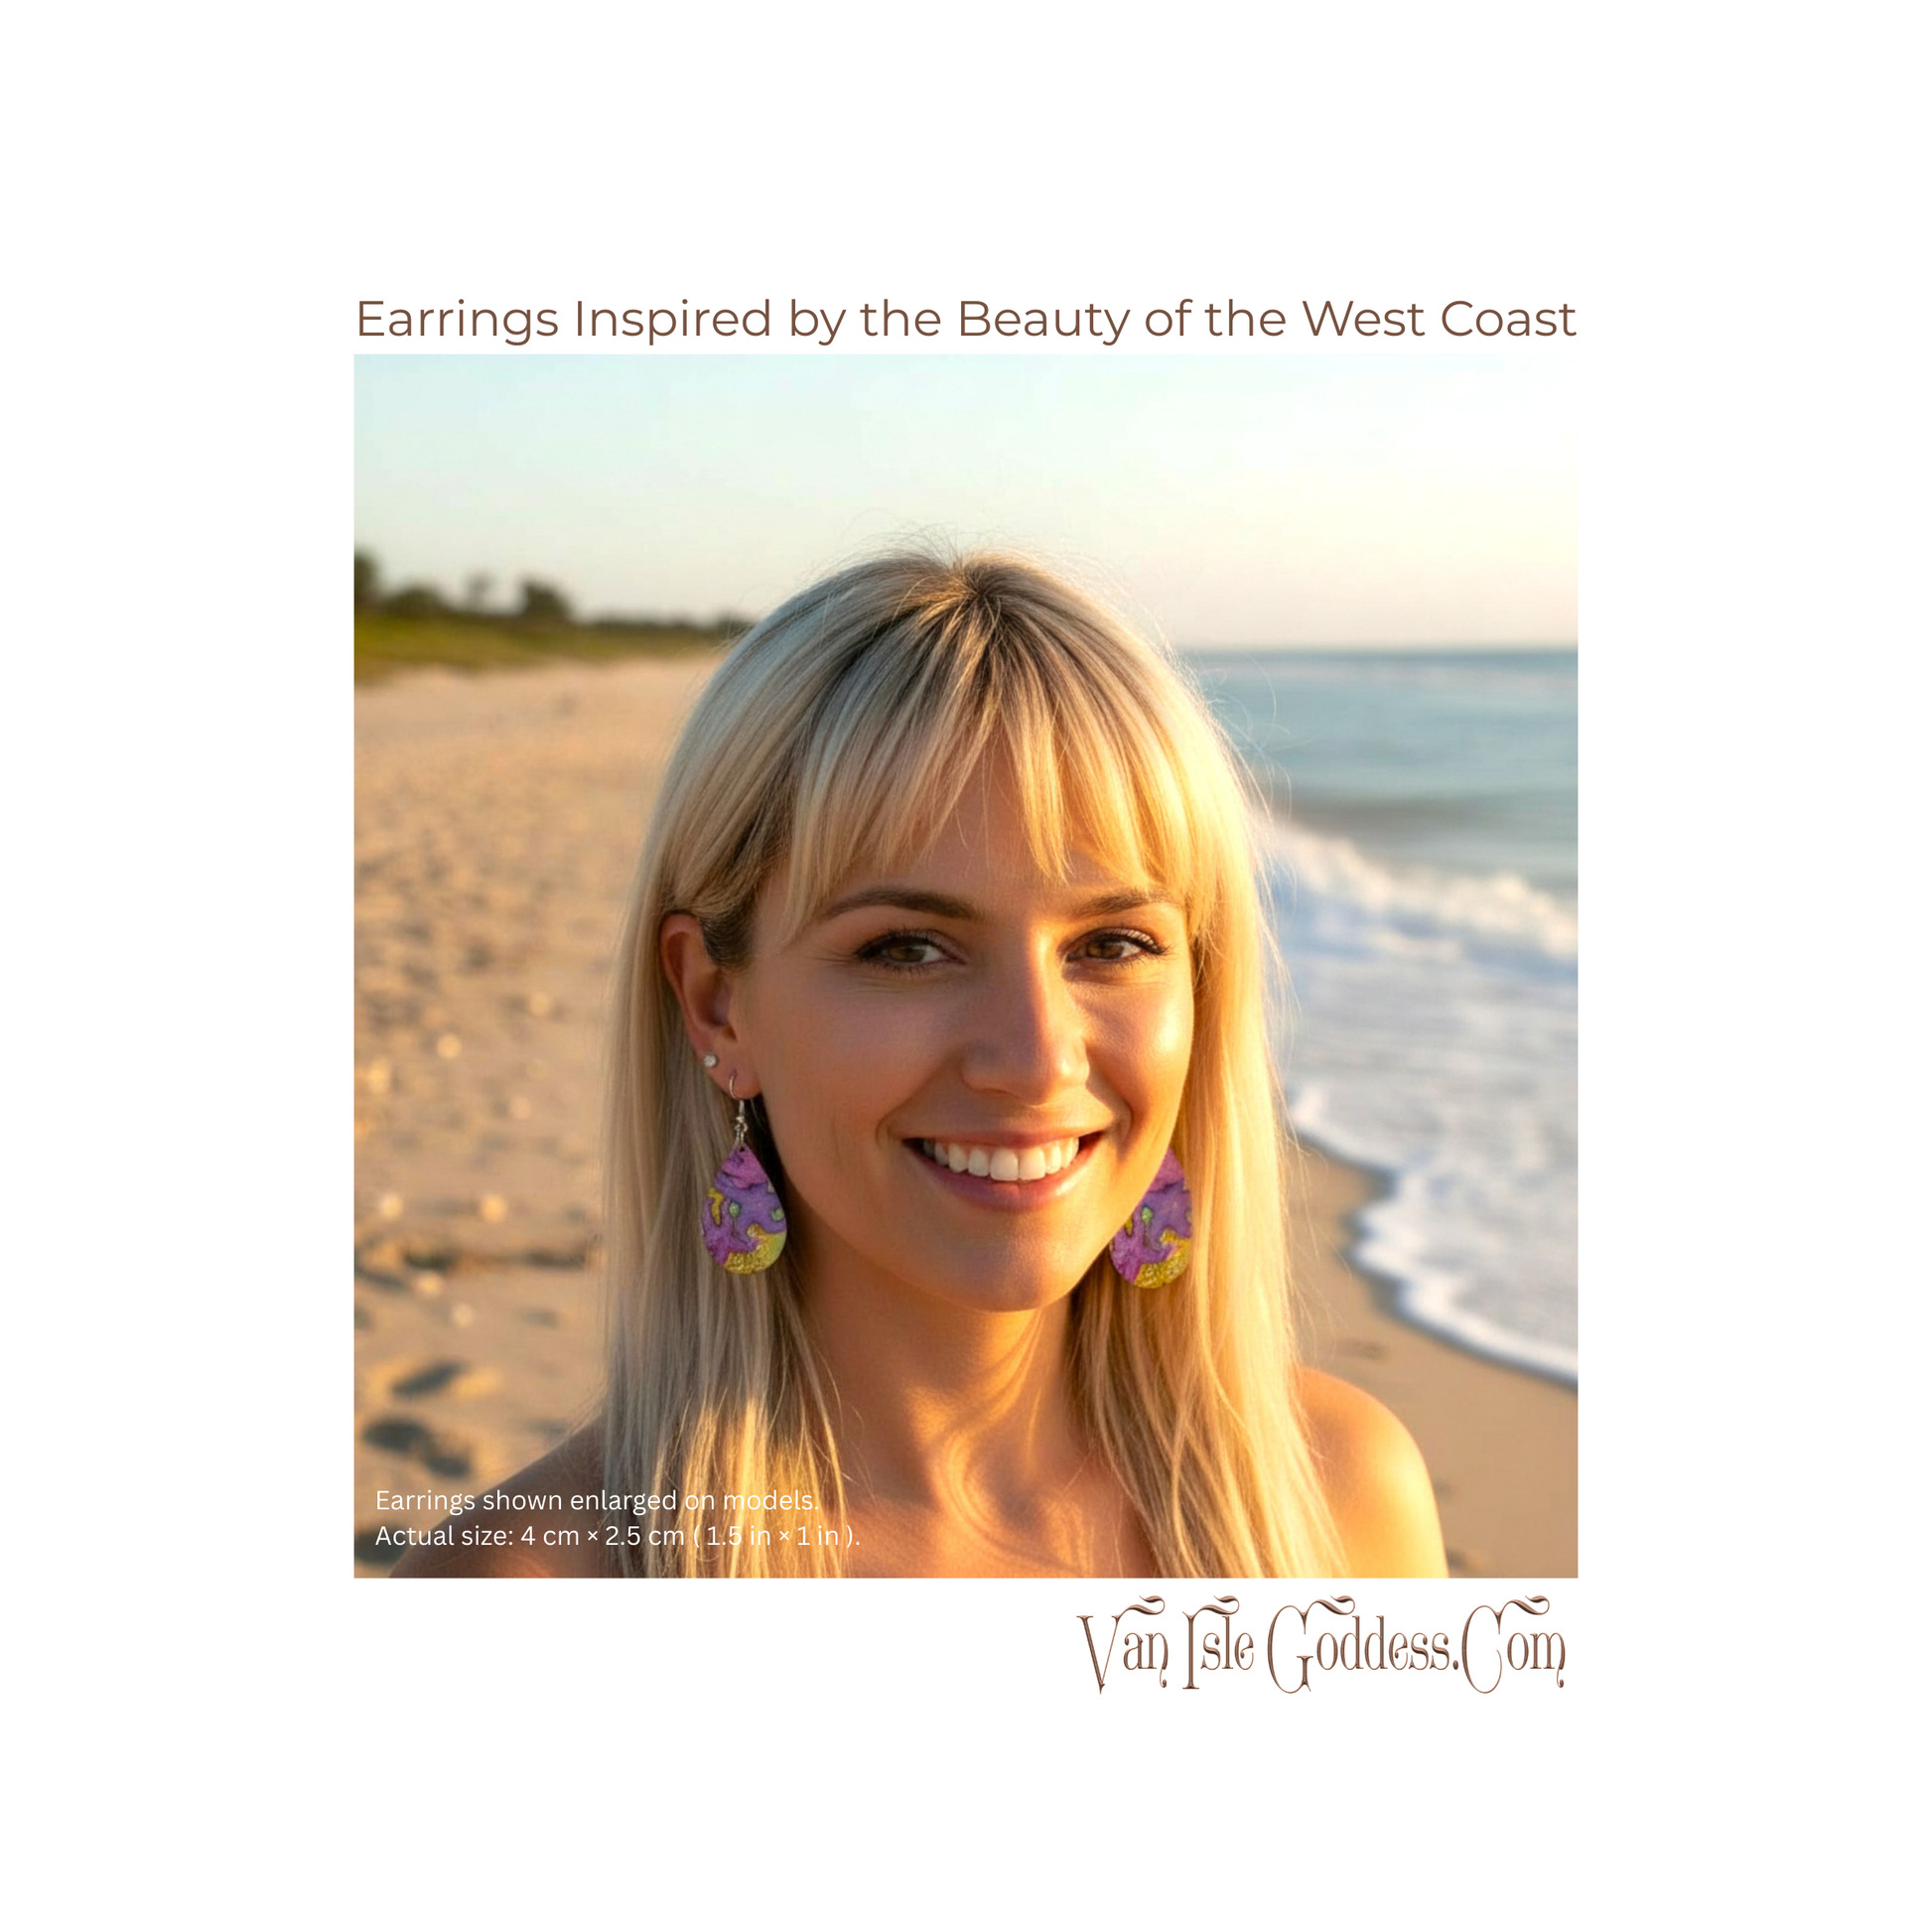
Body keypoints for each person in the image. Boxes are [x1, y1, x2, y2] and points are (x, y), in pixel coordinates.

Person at [396, 550, 1445, 1578]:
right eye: (907, 948)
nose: (1036, 1060)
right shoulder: (527, 1586)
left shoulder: (1340, 1496)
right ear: (717, 1004)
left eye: (1112, 944)